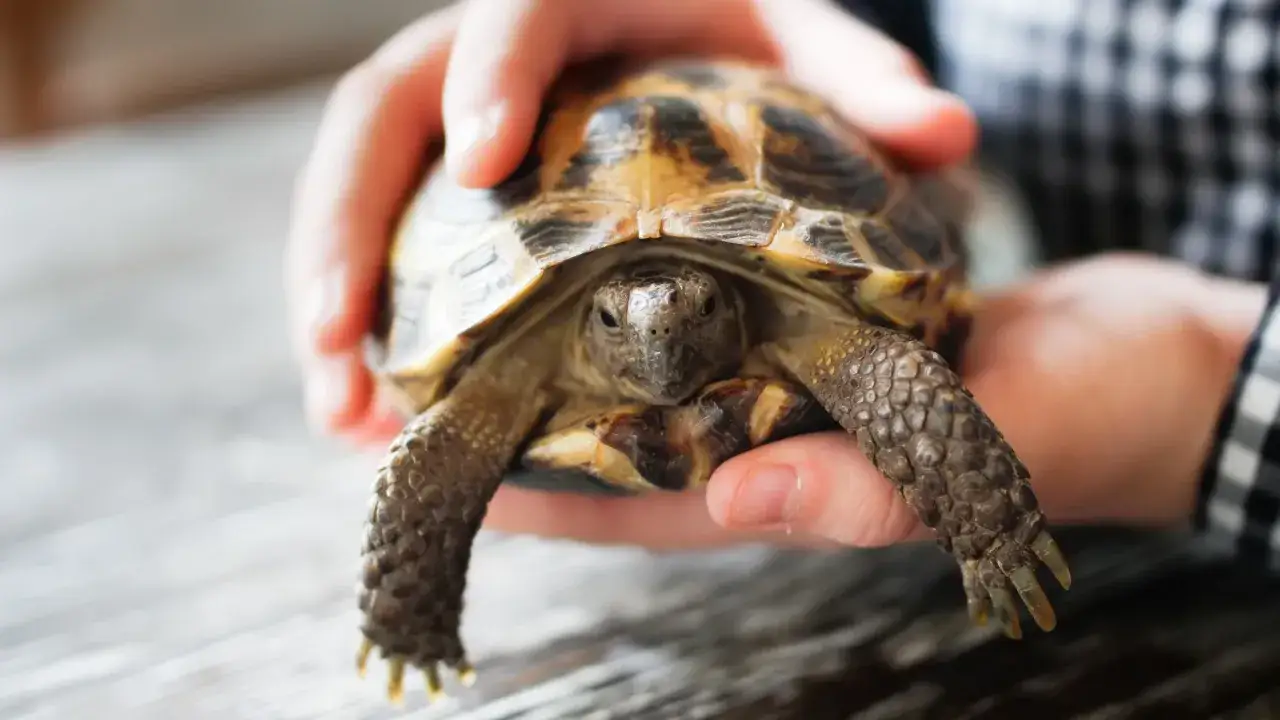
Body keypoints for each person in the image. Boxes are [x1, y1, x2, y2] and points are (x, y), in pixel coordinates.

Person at [284, 0, 1280, 567]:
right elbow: (429, 456)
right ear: (584, 317)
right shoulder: (499, 386)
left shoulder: (831, 337)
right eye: (617, 323)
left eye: (702, 306)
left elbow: (902, 382)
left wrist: (1213, 385)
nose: (664, 340)